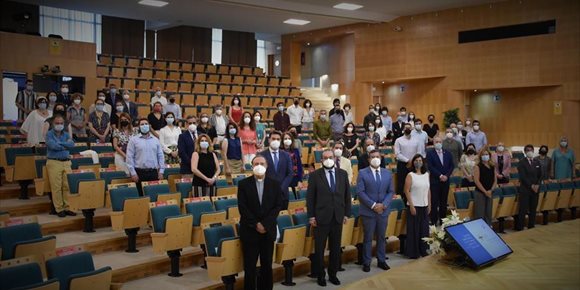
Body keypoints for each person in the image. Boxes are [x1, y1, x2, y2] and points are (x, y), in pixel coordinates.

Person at [237, 155, 283, 290]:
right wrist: (256, 224)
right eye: (256, 163)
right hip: (250, 230)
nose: (259, 166)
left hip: (268, 231)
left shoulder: (275, 184)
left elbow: (278, 205)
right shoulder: (243, 184)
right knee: (250, 267)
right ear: (252, 166)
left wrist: (265, 224)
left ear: (267, 166)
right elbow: (242, 207)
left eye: (262, 163)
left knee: (267, 265)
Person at [307, 149, 351, 286]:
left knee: (335, 248)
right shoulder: (314, 176)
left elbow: (347, 196)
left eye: (330, 157)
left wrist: (346, 214)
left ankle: (333, 274)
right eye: (325, 157)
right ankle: (320, 275)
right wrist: (311, 216)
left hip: (337, 217)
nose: (328, 159)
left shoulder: (342, 174)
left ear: (334, 158)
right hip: (321, 218)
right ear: (321, 160)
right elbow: (310, 198)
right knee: (319, 249)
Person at [356, 149, 395, 272]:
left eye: (377, 156)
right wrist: (373, 205)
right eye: (372, 156)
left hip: (383, 211)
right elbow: (360, 192)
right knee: (368, 238)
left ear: (381, 158)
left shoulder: (387, 173)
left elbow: (391, 191)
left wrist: (383, 205)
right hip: (369, 211)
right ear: (368, 159)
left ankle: (381, 260)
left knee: (381, 237)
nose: (375, 158)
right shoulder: (362, 173)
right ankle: (366, 262)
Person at [46, 115, 76, 217]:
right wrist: (65, 144)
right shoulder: (49, 134)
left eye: (61, 123)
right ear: (53, 124)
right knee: (56, 187)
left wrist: (60, 143)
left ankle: (67, 207)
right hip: (54, 162)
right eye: (57, 123)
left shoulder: (67, 134)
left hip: (66, 162)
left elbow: (72, 145)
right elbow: (53, 146)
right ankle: (59, 209)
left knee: (67, 186)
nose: (59, 125)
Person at [126, 118, 165, 196]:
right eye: (142, 124)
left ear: (149, 126)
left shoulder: (155, 140)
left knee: (153, 196)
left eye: (146, 124)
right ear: (139, 127)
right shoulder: (133, 140)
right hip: (139, 173)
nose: (144, 126)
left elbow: (160, 156)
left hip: (153, 172)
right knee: (141, 197)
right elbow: (129, 157)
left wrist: (161, 171)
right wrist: (133, 173)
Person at [404, 154, 430, 259]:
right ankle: (413, 252)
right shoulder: (410, 175)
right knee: (414, 230)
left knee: (424, 229)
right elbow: (406, 190)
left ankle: (423, 250)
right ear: (413, 162)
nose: (418, 162)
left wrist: (430, 204)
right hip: (414, 206)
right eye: (416, 160)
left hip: (424, 205)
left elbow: (428, 190)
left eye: (420, 160)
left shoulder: (426, 174)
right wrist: (411, 205)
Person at [259, 131, 293, 210]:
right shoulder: (261, 155)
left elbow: (290, 174)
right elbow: (259, 174)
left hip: (283, 194)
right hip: (267, 195)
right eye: (273, 139)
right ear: (269, 140)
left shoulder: (286, 155)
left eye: (278, 139)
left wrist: (281, 188)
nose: (275, 141)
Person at [426, 137, 454, 225]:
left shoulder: (448, 153)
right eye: (436, 141)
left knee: (443, 202)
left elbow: (451, 166)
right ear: (433, 143)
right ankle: (433, 221)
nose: (438, 143)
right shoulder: (430, 153)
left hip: (446, 181)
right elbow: (430, 167)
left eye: (440, 141)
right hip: (435, 181)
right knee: (434, 202)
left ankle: (443, 221)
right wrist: (440, 175)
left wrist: (446, 175)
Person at [516, 145, 542, 231]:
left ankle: (531, 226)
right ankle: (520, 227)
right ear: (525, 152)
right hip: (525, 189)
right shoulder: (521, 162)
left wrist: (537, 185)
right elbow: (523, 177)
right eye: (527, 150)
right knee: (523, 209)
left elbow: (540, 175)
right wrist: (531, 186)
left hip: (535, 189)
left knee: (533, 208)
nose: (529, 151)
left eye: (531, 150)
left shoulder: (537, 162)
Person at [394, 123, 420, 200]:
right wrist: (407, 160)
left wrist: (412, 161)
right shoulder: (398, 140)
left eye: (409, 128)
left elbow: (418, 152)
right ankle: (402, 203)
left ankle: (412, 201)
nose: (407, 129)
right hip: (402, 165)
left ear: (412, 129)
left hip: (414, 164)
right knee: (401, 184)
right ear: (403, 129)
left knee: (414, 184)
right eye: (406, 128)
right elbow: (397, 154)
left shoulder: (416, 140)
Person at [473, 148, 497, 225]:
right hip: (480, 192)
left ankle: (489, 228)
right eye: (483, 155)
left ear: (489, 156)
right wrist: (485, 191)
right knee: (480, 213)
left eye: (486, 154)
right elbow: (477, 181)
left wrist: (491, 190)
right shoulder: (478, 166)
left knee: (488, 212)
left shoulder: (492, 166)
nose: (485, 156)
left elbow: (495, 180)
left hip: (490, 192)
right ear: (480, 156)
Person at [282, 132, 303, 199]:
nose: (287, 140)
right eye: (285, 138)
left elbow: (299, 165)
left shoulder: (295, 150)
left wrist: (300, 180)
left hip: (295, 178)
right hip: (283, 179)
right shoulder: (279, 151)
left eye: (289, 138)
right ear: (282, 140)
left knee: (295, 198)